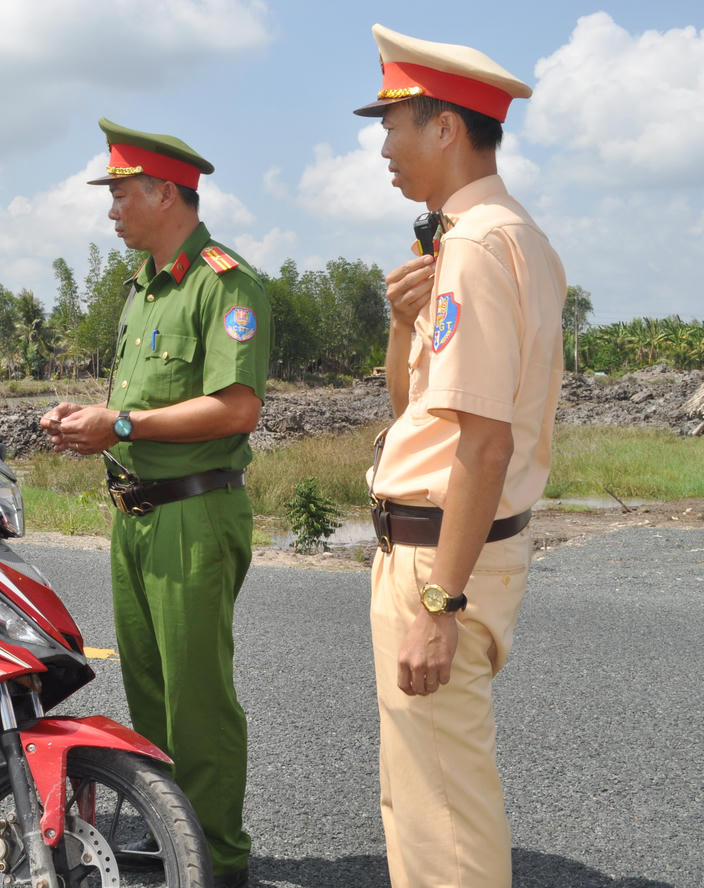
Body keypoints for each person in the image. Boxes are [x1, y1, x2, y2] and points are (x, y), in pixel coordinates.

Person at [355, 25, 566, 888]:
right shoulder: (498, 238)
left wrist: (440, 603)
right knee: (426, 796)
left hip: (441, 555)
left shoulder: (477, 247)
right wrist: (406, 321)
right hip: (446, 545)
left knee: (444, 816)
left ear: (445, 127)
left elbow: (485, 445)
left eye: (394, 122)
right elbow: (422, 417)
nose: (383, 146)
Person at [39, 118, 270, 888]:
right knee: (151, 695)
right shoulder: (142, 288)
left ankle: (219, 864)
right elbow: (136, 406)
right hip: (135, 514)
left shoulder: (223, 282)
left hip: (193, 515)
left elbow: (237, 409)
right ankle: (178, 845)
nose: (111, 210)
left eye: (120, 193)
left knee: (198, 700)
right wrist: (91, 426)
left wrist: (123, 424)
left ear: (165, 192)